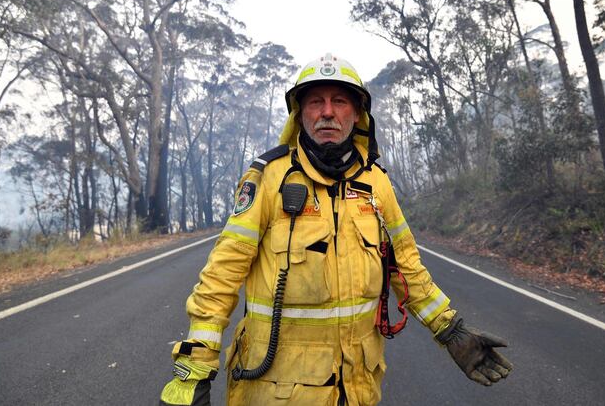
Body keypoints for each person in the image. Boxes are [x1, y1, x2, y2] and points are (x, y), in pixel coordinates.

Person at [160, 53, 512, 406]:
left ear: (357, 113)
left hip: (357, 389)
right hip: (276, 392)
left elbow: (405, 265)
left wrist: (450, 330)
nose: (327, 112)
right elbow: (221, 275)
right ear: (301, 113)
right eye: (316, 102)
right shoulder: (268, 179)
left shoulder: (377, 184)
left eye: (339, 101)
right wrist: (193, 368)